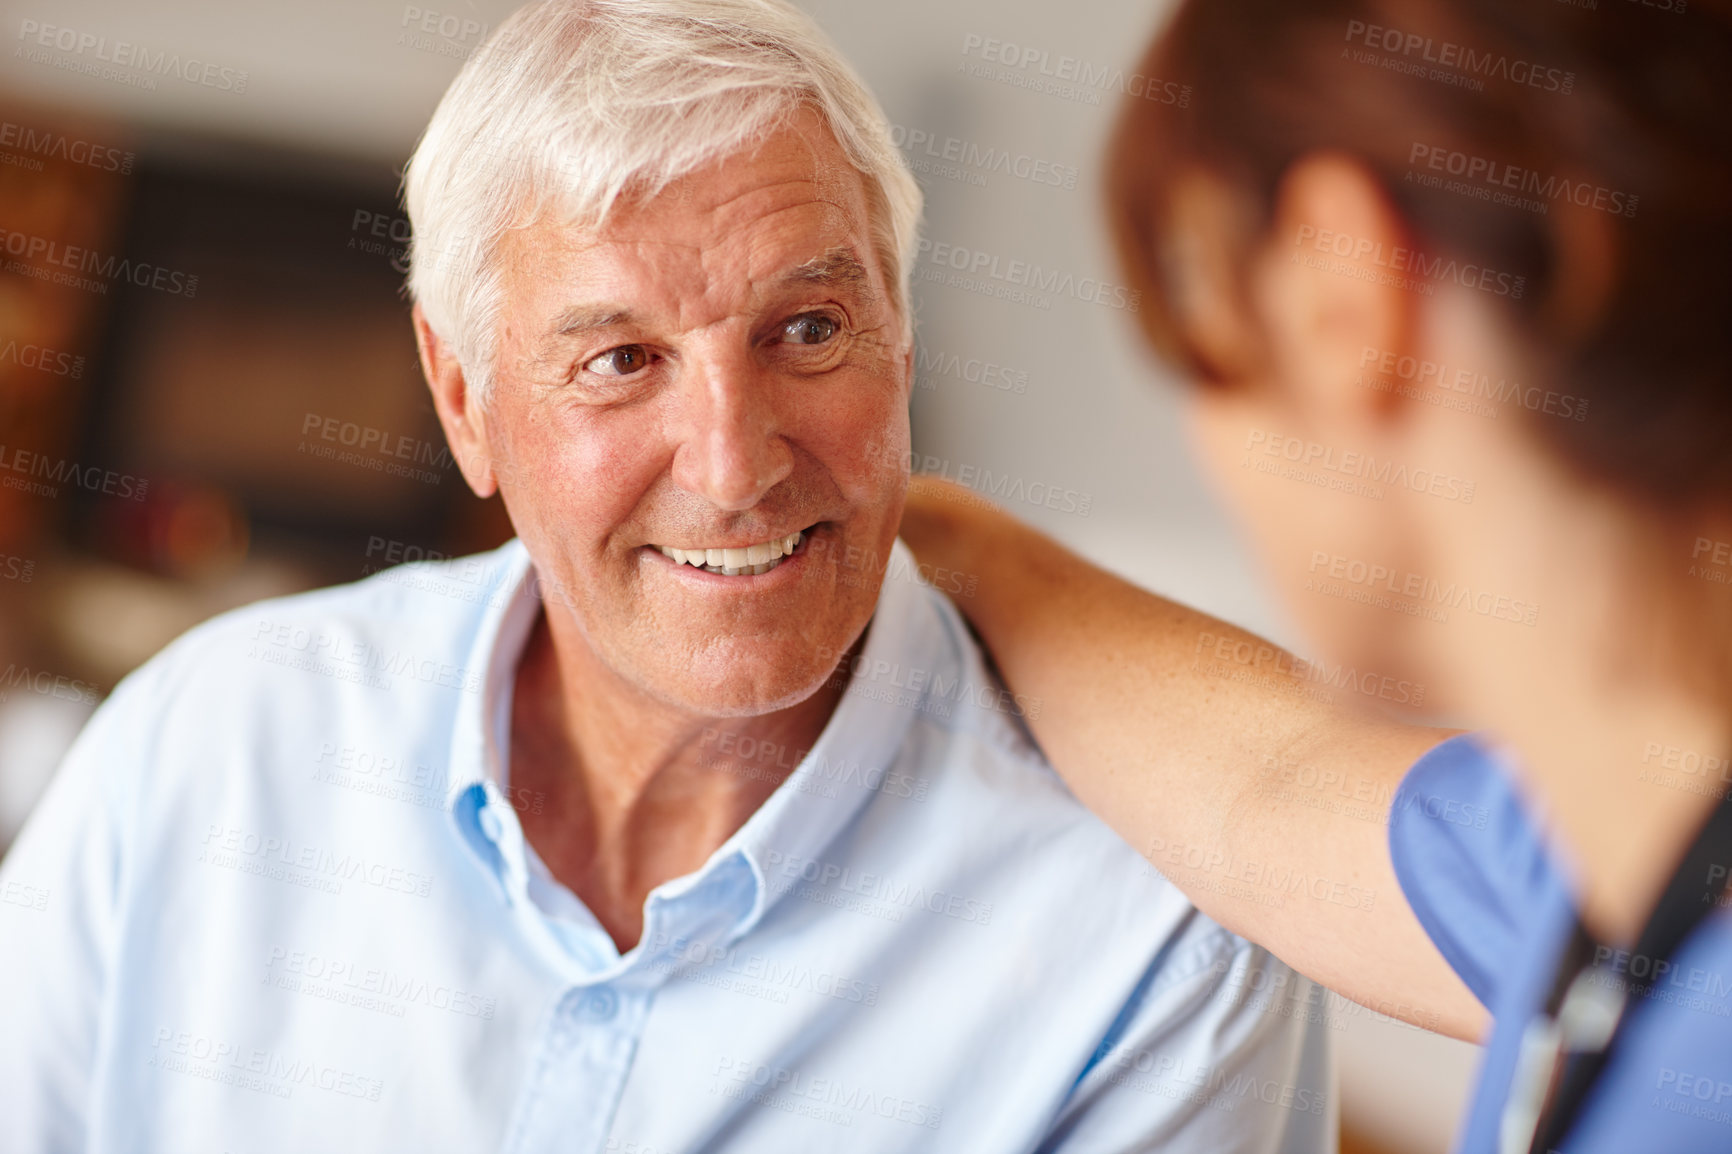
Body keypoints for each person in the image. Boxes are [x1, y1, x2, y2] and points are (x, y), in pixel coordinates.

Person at [0, 2, 1343, 1150]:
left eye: (809, 329)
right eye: (618, 359)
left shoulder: (1158, 951)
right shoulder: (209, 746)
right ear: (463, 401)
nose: (733, 463)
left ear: (905, 340)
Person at [898, 0, 1732, 1151]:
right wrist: (892, 516)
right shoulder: (1611, 850)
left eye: (1198, 344)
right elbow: (1269, 787)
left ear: (1341, 291)